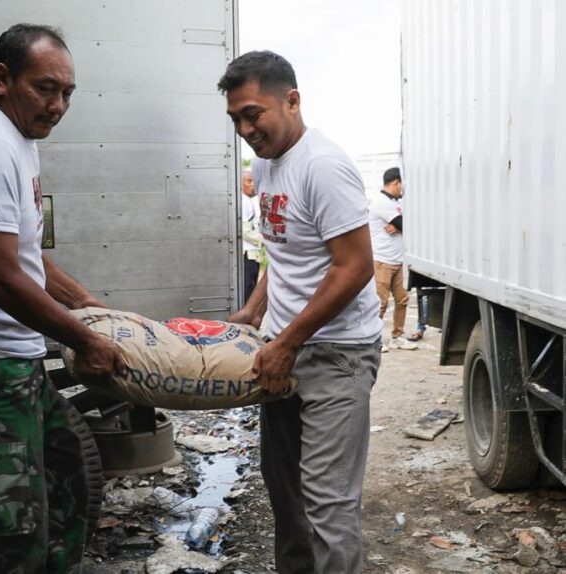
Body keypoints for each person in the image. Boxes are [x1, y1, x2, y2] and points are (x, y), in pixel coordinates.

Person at [0, 24, 124, 573]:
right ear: (3, 78)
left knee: (68, 481)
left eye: (67, 93)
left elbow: (28, 258)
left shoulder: (18, 143)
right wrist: (84, 340)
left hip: (18, 361)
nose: (58, 105)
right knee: (10, 531)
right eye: (45, 88)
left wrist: (89, 304)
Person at [221, 51, 382, 573]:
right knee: (285, 494)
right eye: (236, 119)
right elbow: (286, 251)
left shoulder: (323, 165)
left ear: (291, 100)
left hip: (337, 355)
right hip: (284, 349)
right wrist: (253, 311)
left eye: (253, 114)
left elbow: (354, 267)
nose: (245, 129)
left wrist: (287, 341)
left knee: (327, 505)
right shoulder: (266, 165)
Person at [369, 167, 417, 351]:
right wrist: (401, 225)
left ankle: (398, 336)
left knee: (402, 299)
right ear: (396, 182)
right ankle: (374, 340)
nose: (403, 189)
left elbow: (408, 223)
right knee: (380, 302)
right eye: (402, 185)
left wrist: (400, 226)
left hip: (397, 260)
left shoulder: (397, 203)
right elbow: (405, 224)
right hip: (382, 260)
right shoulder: (381, 203)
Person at [241, 168, 262, 300]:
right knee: (247, 291)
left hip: (253, 253)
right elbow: (243, 229)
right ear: (241, 183)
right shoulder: (243, 201)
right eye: (249, 181)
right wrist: (262, 239)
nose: (253, 184)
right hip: (247, 253)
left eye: (254, 181)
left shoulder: (249, 200)